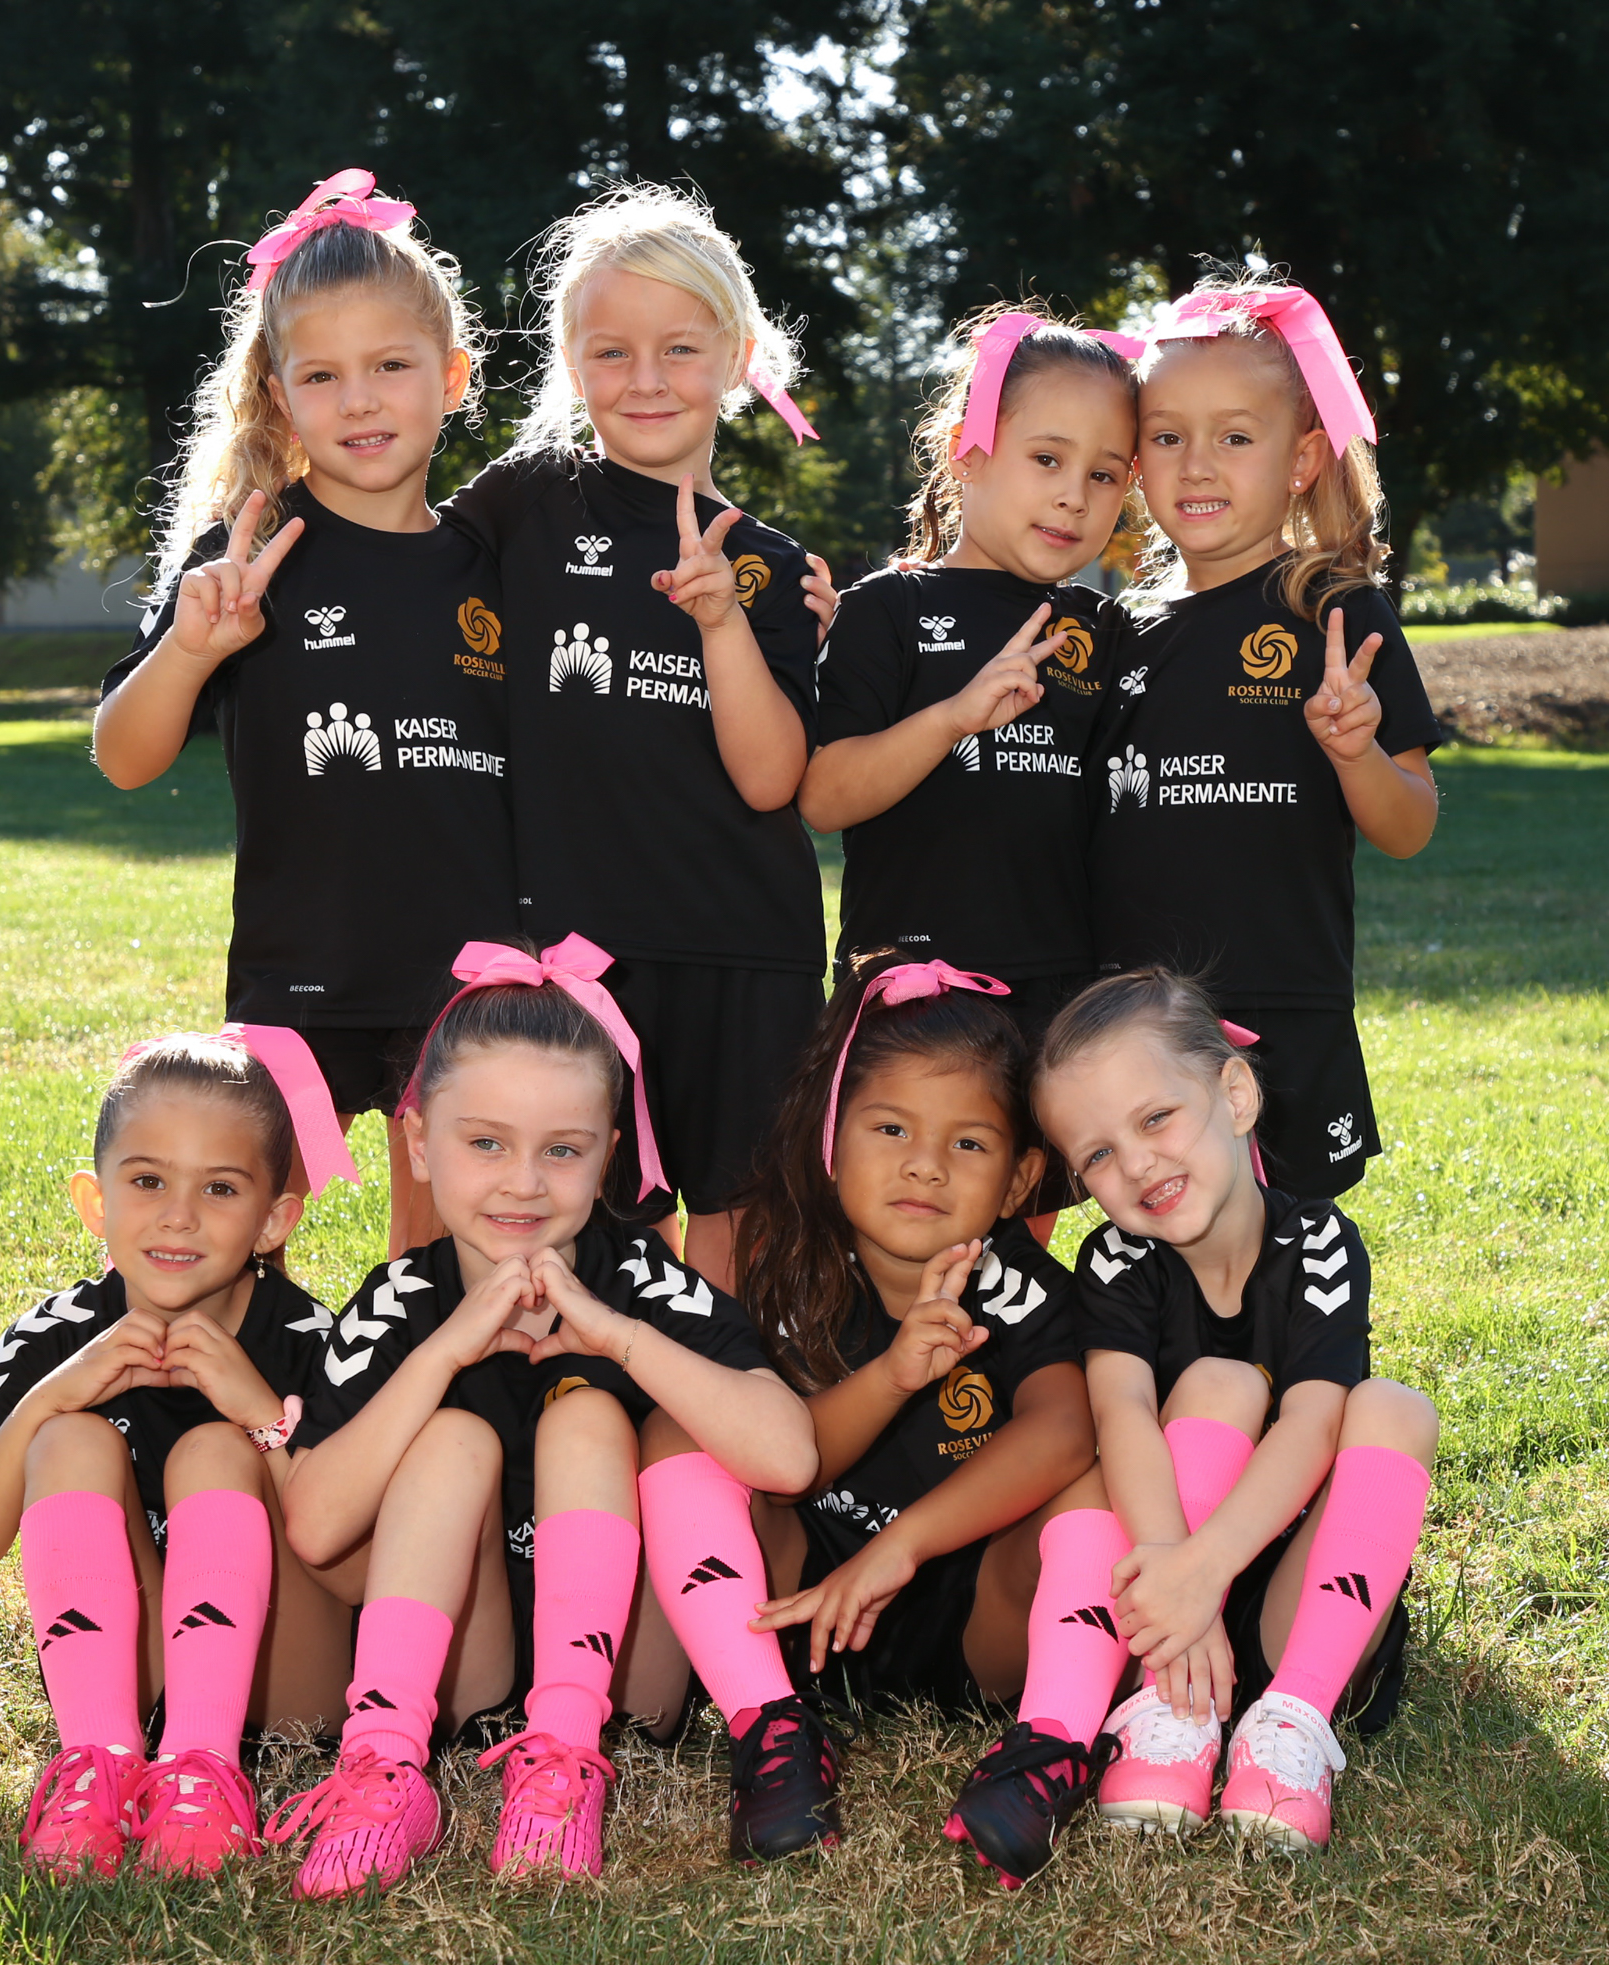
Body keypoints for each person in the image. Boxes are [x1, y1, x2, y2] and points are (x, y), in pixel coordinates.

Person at [273, 937, 835, 1887]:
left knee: (590, 1415)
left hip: (628, 1681)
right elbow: (319, 1525)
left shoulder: (639, 1277)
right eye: (485, 1143)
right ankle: (384, 1764)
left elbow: (788, 1459)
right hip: (469, 1664)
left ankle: (563, 1760)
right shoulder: (400, 1301)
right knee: (451, 1436)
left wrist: (617, 1336)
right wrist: (446, 1351)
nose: (524, 1182)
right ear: (419, 1143)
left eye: (561, 1151)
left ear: (608, 1157)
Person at [94, 170, 509, 1253]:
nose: (359, 400)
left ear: (452, 376)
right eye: (321, 375)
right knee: (236, 1248)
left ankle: (418, 1366)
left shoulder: (497, 563)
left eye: (389, 366)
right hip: (301, 967)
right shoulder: (249, 557)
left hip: (467, 978)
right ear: (280, 397)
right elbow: (124, 757)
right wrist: (191, 649)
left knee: (442, 1269)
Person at [442, 184, 832, 1291]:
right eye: (611, 351)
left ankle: (721, 1403)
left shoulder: (770, 566)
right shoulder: (523, 506)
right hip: (579, 949)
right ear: (572, 362)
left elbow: (772, 780)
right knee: (593, 1231)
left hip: (742, 946)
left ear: (738, 357)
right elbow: (402, 577)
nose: (646, 379)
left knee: (735, 1233)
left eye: (680, 349)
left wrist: (722, 621)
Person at [731, 951, 1138, 1890]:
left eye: (969, 1144)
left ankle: (1049, 1738)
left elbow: (1066, 1433)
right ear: (833, 1139)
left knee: (1105, 1464)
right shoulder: (793, 1272)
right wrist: (890, 1376)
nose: (924, 1164)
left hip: (978, 1628)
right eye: (890, 1128)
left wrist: (902, 1546)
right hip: (808, 1619)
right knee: (708, 1441)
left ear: (1019, 1179)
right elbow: (784, 1466)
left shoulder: (1019, 1286)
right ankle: (769, 1721)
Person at [0, 1032, 354, 1879]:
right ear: (96, 1201)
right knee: (68, 1436)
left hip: (287, 1688)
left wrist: (262, 1416)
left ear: (273, 1220)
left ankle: (205, 1767)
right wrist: (50, 1399)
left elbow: (362, 1572)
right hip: (134, 1674)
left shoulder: (313, 1342)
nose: (178, 1216)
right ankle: (99, 1761)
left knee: (213, 1451)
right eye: (148, 1180)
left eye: (219, 1188)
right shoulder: (51, 1339)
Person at [1031, 971, 1439, 1851]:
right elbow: (1122, 1418)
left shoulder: (1318, 1241)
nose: (1136, 1164)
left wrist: (1207, 1570)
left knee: (1395, 1408)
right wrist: (1179, 1587)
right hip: (1163, 1611)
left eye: (1156, 1119)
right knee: (1218, 1384)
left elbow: (1315, 1423)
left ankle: (1292, 1724)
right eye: (1097, 1155)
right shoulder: (1115, 1261)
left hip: (1303, 1608)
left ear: (1236, 1095)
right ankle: (1170, 1712)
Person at [1093, 278, 1441, 1197]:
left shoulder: (1336, 612)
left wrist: (1356, 753)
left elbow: (1410, 826)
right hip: (1141, 1019)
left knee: (1288, 1238)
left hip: (1287, 1001)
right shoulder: (1116, 632)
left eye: (1236, 438)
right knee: (1158, 1228)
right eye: (1168, 437)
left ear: (1302, 458)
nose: (1197, 466)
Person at [797, 304, 1139, 1115]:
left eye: (1103, 475)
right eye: (1047, 458)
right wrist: (953, 718)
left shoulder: (1106, 632)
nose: (1073, 497)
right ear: (969, 453)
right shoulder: (886, 609)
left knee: (1033, 1184)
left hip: (1062, 998)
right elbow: (824, 796)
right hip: (913, 993)